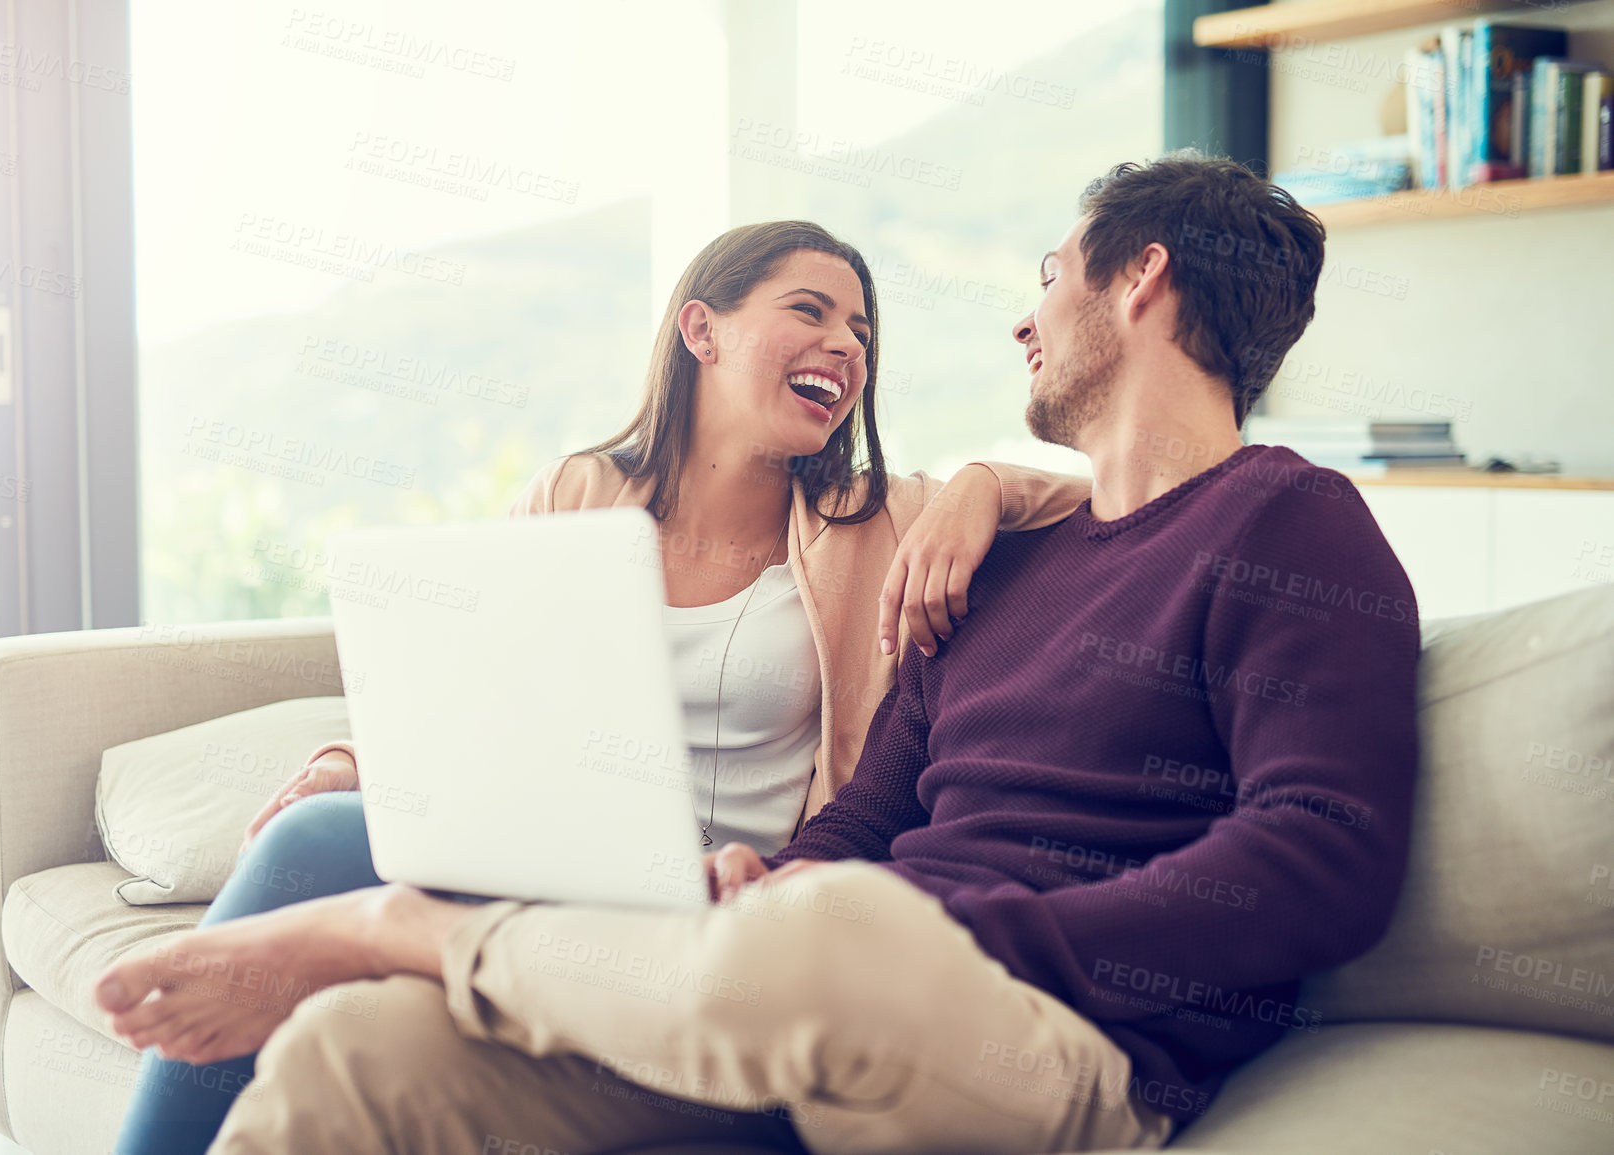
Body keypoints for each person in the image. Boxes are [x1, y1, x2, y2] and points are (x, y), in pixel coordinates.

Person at [98, 152, 1422, 1155]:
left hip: (1055, 1045)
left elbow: (1317, 855)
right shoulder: (999, 566)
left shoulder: (1288, 522)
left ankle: (397, 926)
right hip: (798, 992)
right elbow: (864, 815)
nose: (1022, 321)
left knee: (833, 931)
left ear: (1137, 277)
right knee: (353, 1044)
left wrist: (945, 925)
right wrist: (764, 878)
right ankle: (402, 960)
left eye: (1046, 275)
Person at [106, 219, 1091, 1154]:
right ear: (701, 328)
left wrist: (981, 487)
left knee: (316, 855)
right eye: (811, 311)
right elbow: (468, 694)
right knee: (315, 829)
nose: (845, 345)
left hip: (735, 908)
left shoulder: (877, 519)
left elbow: (1102, 499)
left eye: (861, 330)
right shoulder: (575, 493)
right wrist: (345, 759)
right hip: (558, 869)